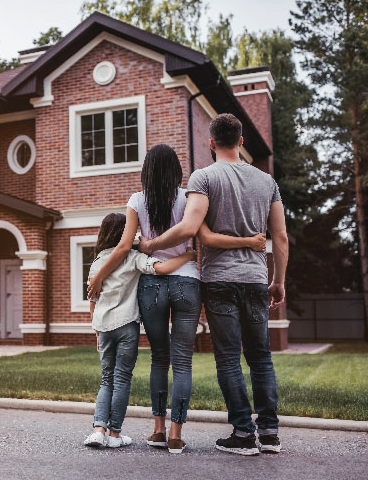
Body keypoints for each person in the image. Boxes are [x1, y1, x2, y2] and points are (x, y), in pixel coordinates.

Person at [87, 144, 266, 454]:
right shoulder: (189, 198)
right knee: (182, 363)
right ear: (176, 171)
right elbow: (202, 235)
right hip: (187, 282)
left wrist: (100, 275)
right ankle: (175, 435)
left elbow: (123, 247)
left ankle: (156, 430)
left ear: (146, 170)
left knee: (159, 357)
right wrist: (190, 254)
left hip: (152, 285)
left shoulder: (137, 200)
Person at [138, 113, 288, 456]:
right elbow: (279, 235)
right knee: (261, 358)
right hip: (255, 279)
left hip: (220, 280)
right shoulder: (267, 182)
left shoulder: (204, 177)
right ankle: (270, 433)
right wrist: (278, 280)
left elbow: (191, 229)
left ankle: (243, 434)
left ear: (211, 143)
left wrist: (151, 245)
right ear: (241, 141)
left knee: (229, 359)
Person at [83, 212, 198, 449]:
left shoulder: (96, 263)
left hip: (103, 328)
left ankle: (97, 430)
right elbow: (163, 268)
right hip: (127, 326)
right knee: (122, 378)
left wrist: (96, 331)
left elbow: (92, 300)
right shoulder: (133, 258)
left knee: (107, 379)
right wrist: (187, 256)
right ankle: (114, 434)